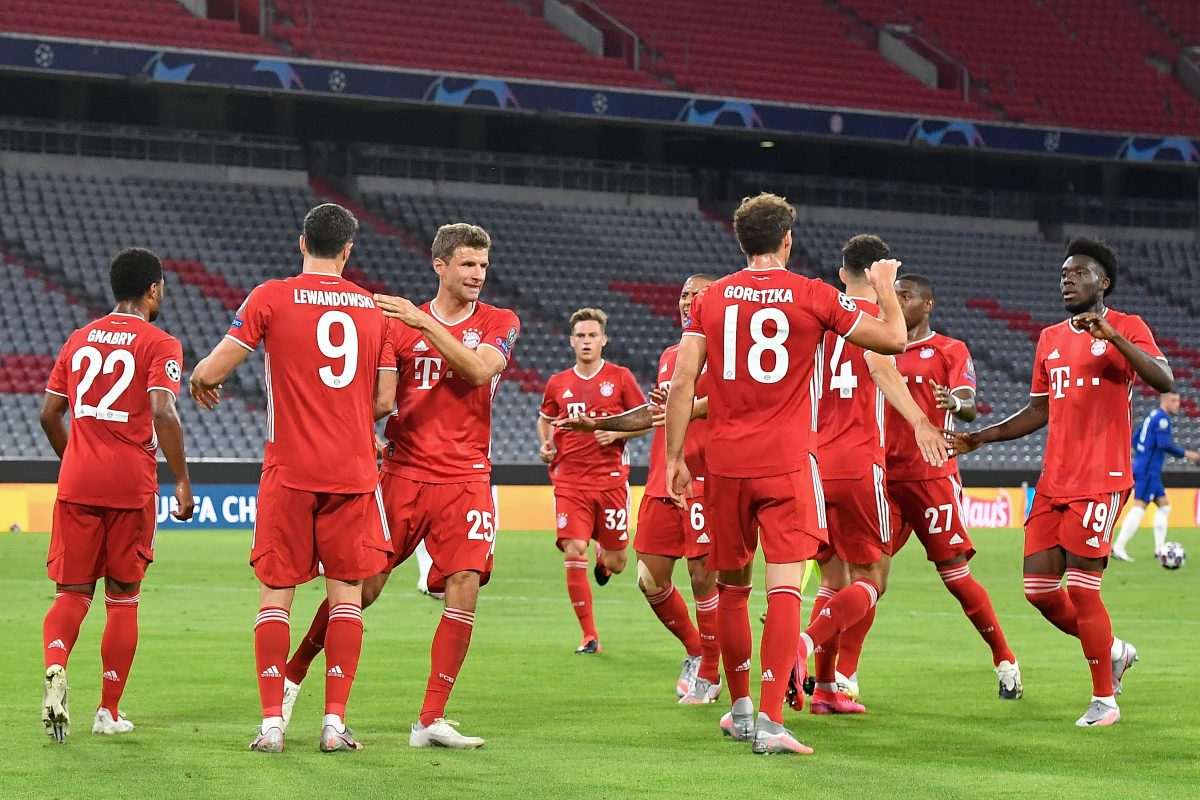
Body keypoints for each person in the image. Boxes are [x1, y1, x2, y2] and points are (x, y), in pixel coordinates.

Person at [665, 192, 907, 755]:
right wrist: (887, 285)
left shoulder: (713, 298)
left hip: (724, 464)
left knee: (730, 589)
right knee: (783, 592)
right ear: (788, 241)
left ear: (740, 241)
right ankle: (772, 723)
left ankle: (741, 709)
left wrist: (676, 457)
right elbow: (893, 339)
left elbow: (682, 383)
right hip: (787, 464)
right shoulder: (813, 295)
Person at [282, 222, 517, 750]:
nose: (478, 274)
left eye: (483, 264)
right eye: (467, 264)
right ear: (440, 265)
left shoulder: (500, 321)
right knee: (362, 590)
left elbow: (479, 372)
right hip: (401, 474)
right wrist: (363, 433)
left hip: (466, 478)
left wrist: (423, 323)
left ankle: (431, 719)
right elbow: (374, 395)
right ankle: (295, 672)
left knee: (464, 587)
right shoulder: (394, 328)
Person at [190, 203, 397, 752]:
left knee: (275, 598)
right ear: (348, 251)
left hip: (290, 471)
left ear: (300, 241)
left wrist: (199, 379)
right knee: (347, 597)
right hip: (352, 471)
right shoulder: (375, 312)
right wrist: (349, 419)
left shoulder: (271, 296)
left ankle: (271, 726)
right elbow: (384, 400)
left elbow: (214, 369)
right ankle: (332, 725)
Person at [950, 236, 1173, 727]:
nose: (1067, 280)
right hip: (1053, 482)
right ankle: (1113, 650)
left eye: (1078, 273)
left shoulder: (1129, 326)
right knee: (1039, 590)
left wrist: (1113, 336)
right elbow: (1038, 409)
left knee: (1084, 588)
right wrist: (980, 437)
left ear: (1103, 282)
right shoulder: (1050, 338)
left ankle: (1104, 700)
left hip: (1102, 479)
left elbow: (1165, 380)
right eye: (1063, 274)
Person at [38, 247, 194, 742]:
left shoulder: (79, 338)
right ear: (153, 289)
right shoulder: (160, 343)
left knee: (71, 594)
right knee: (123, 598)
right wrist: (183, 480)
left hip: (78, 483)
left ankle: (56, 667)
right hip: (130, 486)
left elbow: (48, 415)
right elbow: (163, 411)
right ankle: (108, 711)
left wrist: (78, 460)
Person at [795, 235, 951, 715]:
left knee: (833, 579)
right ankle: (803, 646)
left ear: (842, 272)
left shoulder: (820, 317)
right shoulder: (880, 321)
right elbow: (883, 367)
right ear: (885, 271)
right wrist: (921, 420)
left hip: (815, 461)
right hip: (859, 461)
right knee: (872, 580)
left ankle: (824, 690)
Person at [555, 274, 723, 703]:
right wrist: (597, 423)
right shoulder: (672, 355)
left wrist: (686, 405)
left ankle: (710, 671)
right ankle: (694, 649)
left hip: (705, 478)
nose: (688, 302)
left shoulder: (728, 352)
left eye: (698, 295)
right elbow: (652, 415)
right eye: (684, 295)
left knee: (703, 576)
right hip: (660, 481)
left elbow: (730, 406)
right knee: (649, 577)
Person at [883, 273, 1022, 699]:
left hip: (931, 476)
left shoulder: (949, 349)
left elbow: (967, 402)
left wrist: (955, 402)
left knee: (956, 576)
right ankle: (842, 677)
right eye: (894, 294)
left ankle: (1005, 660)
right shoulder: (879, 348)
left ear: (927, 304)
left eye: (904, 296)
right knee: (866, 576)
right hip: (882, 476)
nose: (897, 301)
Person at [538, 308, 649, 654]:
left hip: (612, 481)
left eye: (592, 336)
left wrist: (614, 432)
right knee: (574, 548)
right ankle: (589, 635)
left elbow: (647, 420)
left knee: (618, 562)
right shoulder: (558, 383)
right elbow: (546, 420)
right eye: (580, 336)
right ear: (572, 341)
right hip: (570, 481)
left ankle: (605, 557)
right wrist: (545, 444)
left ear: (604, 340)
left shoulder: (620, 378)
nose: (586, 342)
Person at [1112, 392, 1198, 561]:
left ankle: (1160, 550)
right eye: (1174, 401)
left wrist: (1143, 454)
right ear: (1164, 401)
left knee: (1164, 506)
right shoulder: (1162, 419)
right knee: (1139, 507)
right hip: (1148, 470)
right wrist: (1187, 454)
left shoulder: (1151, 416)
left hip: (1145, 466)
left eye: (1178, 401)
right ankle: (1118, 547)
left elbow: (1135, 439)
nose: (1177, 404)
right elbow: (1164, 444)